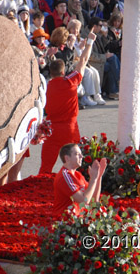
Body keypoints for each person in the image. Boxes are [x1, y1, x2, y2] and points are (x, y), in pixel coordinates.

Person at [38, 32, 97, 174]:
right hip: (70, 129)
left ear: (51, 73)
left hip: (51, 129)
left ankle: (39, 193)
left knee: (45, 168)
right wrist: (89, 42)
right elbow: (82, 61)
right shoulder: (70, 82)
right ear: (63, 71)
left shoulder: (45, 87)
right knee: (74, 167)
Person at [53, 143, 106, 219]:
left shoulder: (77, 174)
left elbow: (93, 200)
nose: (82, 156)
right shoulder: (65, 176)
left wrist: (98, 177)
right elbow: (83, 201)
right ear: (67, 158)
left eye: (81, 154)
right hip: (65, 223)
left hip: (78, 221)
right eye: (77, 154)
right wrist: (93, 179)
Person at [87, 17, 120, 99]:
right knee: (111, 64)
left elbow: (105, 47)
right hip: (93, 62)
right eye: (100, 25)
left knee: (113, 58)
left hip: (100, 59)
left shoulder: (97, 35)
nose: (101, 27)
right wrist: (104, 56)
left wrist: (105, 36)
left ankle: (115, 88)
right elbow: (90, 55)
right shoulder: (87, 35)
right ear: (94, 26)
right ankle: (118, 83)